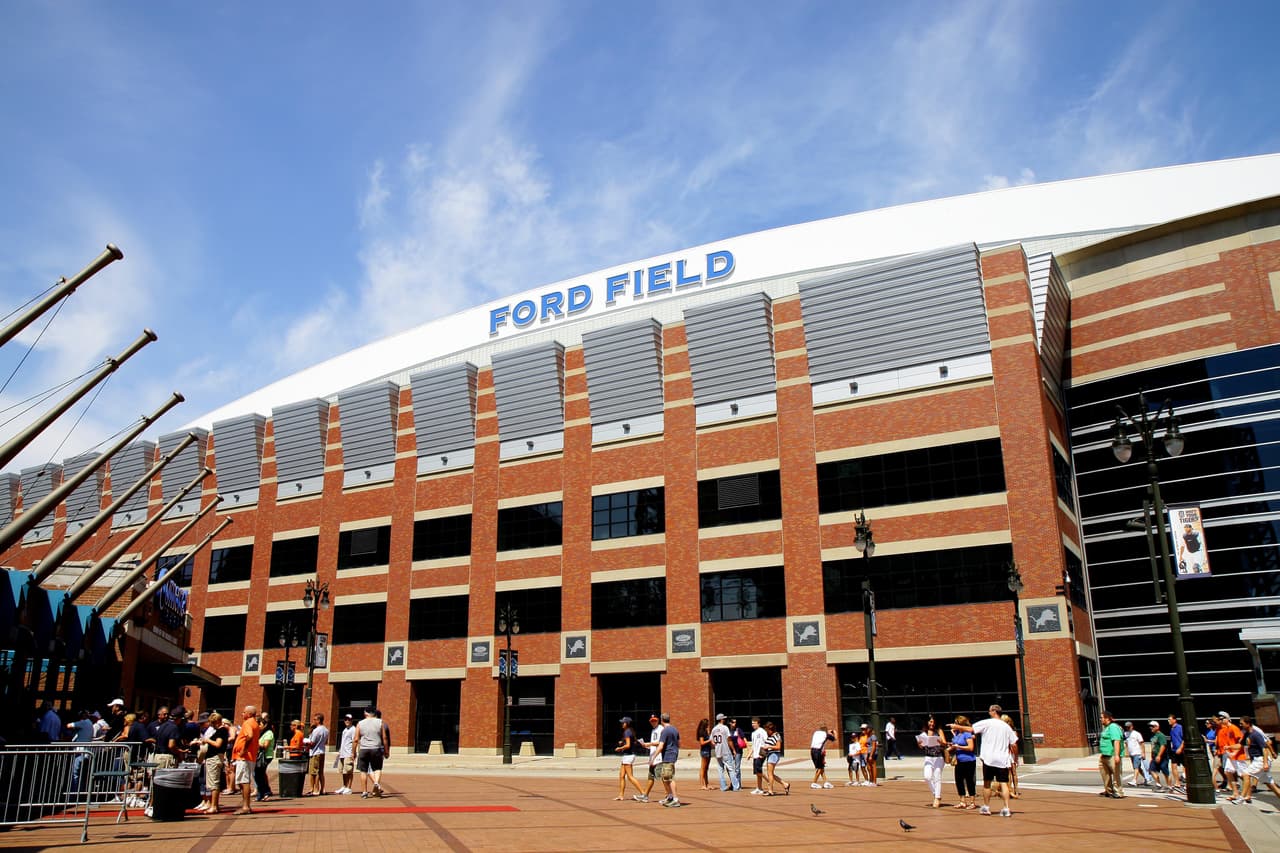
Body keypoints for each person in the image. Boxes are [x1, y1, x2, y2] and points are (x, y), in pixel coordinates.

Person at [952, 704, 1015, 817]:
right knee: (1004, 784)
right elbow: (1013, 743)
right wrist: (1013, 756)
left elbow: (971, 729)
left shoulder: (987, 723)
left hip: (989, 758)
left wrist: (957, 727)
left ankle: (986, 807)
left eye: (990, 710)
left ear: (994, 711)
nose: (989, 712)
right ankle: (1006, 808)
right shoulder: (1006, 727)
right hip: (1002, 759)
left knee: (987, 783)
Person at [1239, 716, 1280, 803]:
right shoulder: (1247, 733)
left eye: (1242, 723)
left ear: (1248, 723)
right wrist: (1227, 747)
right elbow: (1240, 745)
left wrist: (1271, 754)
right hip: (1256, 760)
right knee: (1271, 785)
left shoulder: (1256, 733)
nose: (1240, 725)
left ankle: (1242, 797)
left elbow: (1266, 745)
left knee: (1246, 774)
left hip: (1261, 760)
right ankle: (1247, 796)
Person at [229, 705, 262, 816]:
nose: (242, 714)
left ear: (249, 713)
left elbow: (250, 736)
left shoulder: (248, 723)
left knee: (244, 781)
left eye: (243, 712)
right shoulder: (254, 723)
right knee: (243, 781)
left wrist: (243, 749)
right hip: (249, 756)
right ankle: (246, 805)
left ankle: (246, 806)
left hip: (244, 757)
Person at [196, 712, 229, 813]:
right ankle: (215, 805)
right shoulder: (220, 731)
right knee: (213, 782)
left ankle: (214, 806)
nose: (211, 725)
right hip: (214, 758)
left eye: (212, 723)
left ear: (216, 722)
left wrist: (207, 740)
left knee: (214, 783)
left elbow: (218, 744)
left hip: (214, 758)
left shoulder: (221, 731)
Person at [355, 707, 389, 798]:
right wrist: (386, 750)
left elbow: (356, 739)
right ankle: (376, 782)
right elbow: (384, 738)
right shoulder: (380, 722)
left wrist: (353, 752)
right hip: (376, 748)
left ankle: (364, 792)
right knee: (377, 768)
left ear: (366, 713)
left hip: (364, 748)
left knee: (363, 771)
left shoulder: (360, 723)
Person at [917, 716, 948, 808]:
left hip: (938, 757)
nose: (932, 724)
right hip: (928, 757)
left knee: (937, 777)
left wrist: (939, 741)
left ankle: (937, 798)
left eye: (933, 722)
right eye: (930, 722)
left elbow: (944, 743)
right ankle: (935, 793)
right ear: (927, 722)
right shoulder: (923, 733)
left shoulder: (939, 731)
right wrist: (919, 744)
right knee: (927, 777)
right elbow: (922, 746)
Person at [634, 713, 664, 802]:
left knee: (663, 778)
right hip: (653, 757)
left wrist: (650, 744)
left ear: (658, 720)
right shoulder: (653, 730)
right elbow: (654, 744)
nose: (653, 722)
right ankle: (645, 795)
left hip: (659, 757)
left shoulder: (661, 729)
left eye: (654, 720)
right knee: (650, 777)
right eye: (651, 721)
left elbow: (661, 743)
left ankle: (669, 796)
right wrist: (646, 745)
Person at [613, 716, 646, 800]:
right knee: (621, 775)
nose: (621, 724)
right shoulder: (629, 731)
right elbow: (628, 742)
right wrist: (622, 742)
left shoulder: (627, 732)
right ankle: (621, 795)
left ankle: (643, 793)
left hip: (628, 756)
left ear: (626, 723)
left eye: (623, 722)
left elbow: (628, 745)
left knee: (630, 777)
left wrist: (619, 748)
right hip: (626, 756)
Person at [950, 715, 978, 810]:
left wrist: (959, 746)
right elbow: (954, 744)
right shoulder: (957, 734)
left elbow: (970, 747)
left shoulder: (967, 734)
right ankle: (962, 801)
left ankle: (972, 802)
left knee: (969, 780)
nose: (954, 725)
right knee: (959, 780)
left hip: (969, 760)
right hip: (959, 760)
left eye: (956, 723)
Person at [1215, 713, 1245, 799]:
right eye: (1220, 719)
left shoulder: (1233, 728)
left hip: (1237, 754)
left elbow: (1241, 741)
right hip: (1230, 754)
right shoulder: (1226, 729)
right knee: (1227, 772)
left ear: (1227, 719)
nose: (1220, 720)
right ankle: (1235, 793)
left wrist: (1235, 752)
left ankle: (1247, 792)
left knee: (1242, 774)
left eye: (1222, 719)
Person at [1098, 710, 1125, 798]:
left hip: (1112, 755)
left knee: (1116, 774)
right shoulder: (1106, 728)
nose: (1100, 719)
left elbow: (1116, 740)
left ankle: (1118, 792)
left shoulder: (1113, 727)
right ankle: (1108, 790)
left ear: (1107, 718)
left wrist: (1117, 755)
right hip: (1104, 755)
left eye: (1102, 718)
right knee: (1105, 774)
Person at [656, 712, 681, 807]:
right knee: (665, 777)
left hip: (668, 756)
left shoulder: (665, 730)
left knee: (669, 778)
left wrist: (654, 756)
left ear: (661, 720)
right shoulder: (675, 729)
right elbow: (679, 744)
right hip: (672, 755)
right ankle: (670, 797)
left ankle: (675, 799)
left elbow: (661, 745)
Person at [710, 713, 740, 792]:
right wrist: (733, 749)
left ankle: (723, 786)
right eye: (723, 718)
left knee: (720, 769)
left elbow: (712, 741)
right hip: (725, 751)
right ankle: (736, 786)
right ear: (721, 719)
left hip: (718, 751)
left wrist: (716, 745)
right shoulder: (725, 728)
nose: (724, 720)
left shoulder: (714, 729)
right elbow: (729, 740)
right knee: (731, 769)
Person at [761, 721, 789, 796]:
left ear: (770, 729)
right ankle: (785, 784)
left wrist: (768, 747)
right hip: (770, 754)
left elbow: (778, 747)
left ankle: (770, 790)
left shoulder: (776, 735)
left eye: (767, 730)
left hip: (774, 755)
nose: (766, 732)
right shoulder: (770, 736)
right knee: (771, 774)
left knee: (769, 774)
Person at [305, 713, 329, 796]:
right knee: (321, 772)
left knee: (313, 772)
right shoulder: (326, 730)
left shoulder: (316, 730)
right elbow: (326, 742)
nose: (313, 721)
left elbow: (312, 742)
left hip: (315, 752)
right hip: (322, 751)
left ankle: (314, 789)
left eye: (315, 719)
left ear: (319, 720)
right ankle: (323, 789)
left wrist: (306, 743)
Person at [1124, 721, 1153, 788]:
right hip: (1131, 754)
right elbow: (1126, 743)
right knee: (1138, 768)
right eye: (1127, 727)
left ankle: (1134, 780)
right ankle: (1147, 778)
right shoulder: (1126, 734)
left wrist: (1143, 753)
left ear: (1132, 726)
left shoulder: (1136, 734)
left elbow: (1142, 743)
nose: (1128, 728)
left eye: (1129, 726)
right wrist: (1126, 752)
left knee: (1136, 767)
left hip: (1137, 753)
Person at [1147, 720, 1173, 792]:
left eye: (1152, 726)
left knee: (1164, 770)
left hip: (1162, 756)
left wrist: (1159, 755)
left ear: (1157, 727)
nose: (1151, 728)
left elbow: (1163, 746)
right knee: (1151, 770)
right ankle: (1158, 784)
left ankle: (1169, 786)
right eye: (1150, 726)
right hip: (1154, 756)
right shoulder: (1153, 736)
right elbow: (1153, 745)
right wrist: (1152, 755)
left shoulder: (1161, 735)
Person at [254, 716, 275, 801]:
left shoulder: (269, 733)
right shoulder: (262, 733)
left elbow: (265, 745)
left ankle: (265, 792)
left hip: (266, 756)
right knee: (258, 775)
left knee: (260, 775)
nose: (259, 726)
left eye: (260, 724)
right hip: (260, 756)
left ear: (266, 725)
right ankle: (262, 793)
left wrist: (255, 743)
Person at [1001, 714, 1021, 798]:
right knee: (1012, 772)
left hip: (1008, 753)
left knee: (1010, 772)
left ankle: (1012, 790)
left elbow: (1014, 745)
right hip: (1007, 753)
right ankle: (1013, 790)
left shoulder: (1006, 731)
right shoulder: (1012, 731)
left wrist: (1016, 757)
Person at [335, 714, 356, 795]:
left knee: (349, 771)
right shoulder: (345, 730)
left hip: (349, 753)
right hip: (343, 753)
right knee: (343, 771)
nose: (347, 721)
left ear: (352, 720)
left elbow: (355, 741)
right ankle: (344, 786)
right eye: (346, 719)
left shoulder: (353, 729)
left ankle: (349, 788)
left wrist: (353, 753)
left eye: (349, 719)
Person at [810, 724, 835, 788]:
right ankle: (814, 783)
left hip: (812, 751)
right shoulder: (825, 734)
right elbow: (834, 739)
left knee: (821, 767)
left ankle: (826, 782)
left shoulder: (816, 733)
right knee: (820, 768)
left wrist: (827, 732)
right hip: (818, 752)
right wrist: (834, 732)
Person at [749, 717, 769, 795]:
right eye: (752, 723)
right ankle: (759, 788)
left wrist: (763, 754)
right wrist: (749, 754)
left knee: (759, 771)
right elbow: (753, 745)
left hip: (760, 754)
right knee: (757, 773)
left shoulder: (762, 731)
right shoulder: (753, 733)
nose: (753, 724)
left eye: (754, 723)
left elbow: (766, 742)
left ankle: (768, 781)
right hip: (755, 755)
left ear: (758, 723)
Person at [1167, 714, 1186, 792]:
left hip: (1181, 750)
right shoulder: (1172, 729)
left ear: (1174, 720)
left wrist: (1181, 748)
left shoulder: (1179, 727)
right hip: (1174, 750)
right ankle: (1177, 783)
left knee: (1185, 766)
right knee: (1173, 766)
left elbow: (1184, 738)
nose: (1168, 721)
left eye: (1170, 719)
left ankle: (1187, 784)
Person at [695, 718, 712, 790]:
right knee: (703, 768)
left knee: (706, 768)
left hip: (708, 750)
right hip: (704, 751)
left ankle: (707, 784)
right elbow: (702, 743)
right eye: (707, 724)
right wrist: (709, 740)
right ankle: (702, 784)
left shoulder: (706, 731)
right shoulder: (701, 732)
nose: (708, 725)